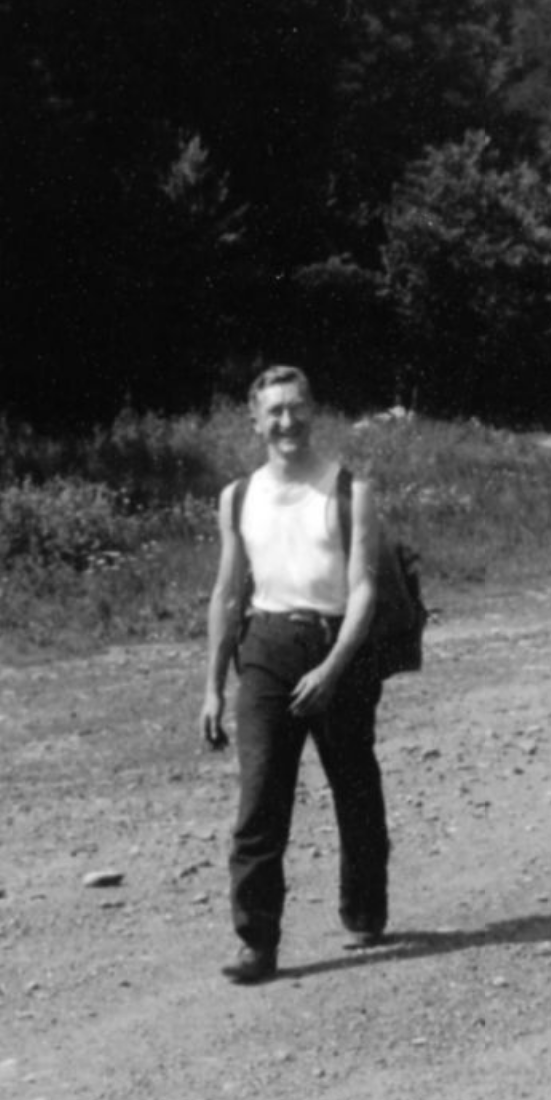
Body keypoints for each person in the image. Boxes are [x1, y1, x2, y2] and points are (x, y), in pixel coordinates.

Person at [199, 366, 395, 984]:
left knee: (354, 787)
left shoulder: (348, 490)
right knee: (260, 798)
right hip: (267, 648)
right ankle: (257, 942)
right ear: (255, 421)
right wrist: (211, 686)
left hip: (338, 644)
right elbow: (228, 594)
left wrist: (334, 667)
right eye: (275, 411)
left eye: (298, 407)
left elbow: (365, 587)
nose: (287, 421)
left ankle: (364, 909)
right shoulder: (237, 497)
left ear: (314, 412)